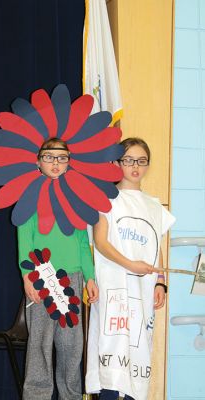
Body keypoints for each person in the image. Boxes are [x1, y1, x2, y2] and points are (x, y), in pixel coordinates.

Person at [85, 137, 175, 400]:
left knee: (138, 355)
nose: (135, 166)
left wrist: (160, 281)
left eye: (142, 161)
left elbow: (155, 245)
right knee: (112, 356)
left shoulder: (154, 206)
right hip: (114, 286)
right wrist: (130, 265)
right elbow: (101, 243)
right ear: (117, 163)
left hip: (143, 290)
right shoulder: (106, 199)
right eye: (129, 160)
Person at [18, 137, 99, 400]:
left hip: (72, 278)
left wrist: (90, 277)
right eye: (49, 156)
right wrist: (26, 277)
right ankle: (37, 396)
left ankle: (71, 396)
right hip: (42, 275)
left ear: (68, 162)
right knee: (39, 344)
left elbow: (82, 241)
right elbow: (24, 237)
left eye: (62, 157)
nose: (55, 162)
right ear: (38, 161)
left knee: (72, 346)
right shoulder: (30, 194)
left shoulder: (75, 197)